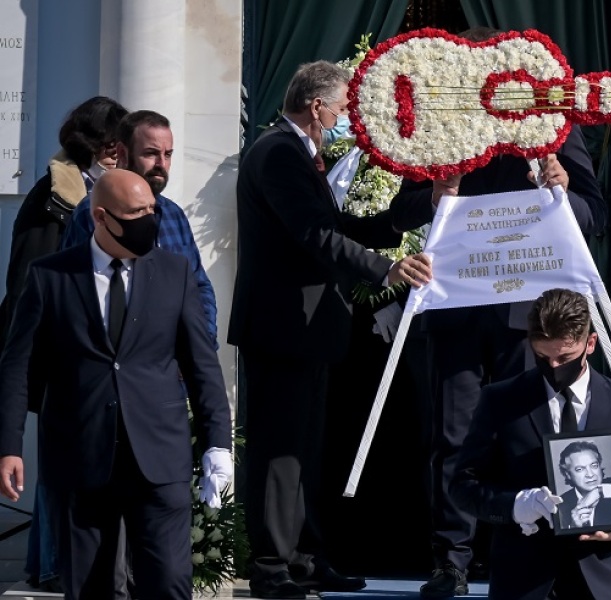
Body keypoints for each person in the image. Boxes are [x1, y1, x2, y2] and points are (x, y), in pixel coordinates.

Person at [390, 26, 606, 597]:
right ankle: (451, 561)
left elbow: (593, 215)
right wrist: (436, 194)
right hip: (457, 307)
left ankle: (530, 550)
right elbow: (399, 213)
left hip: (529, 316)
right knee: (452, 437)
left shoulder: (550, 125)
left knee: (529, 431)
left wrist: (562, 189)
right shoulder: (436, 126)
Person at [228, 60, 433, 599]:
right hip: (282, 325)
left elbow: (336, 226)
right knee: (280, 450)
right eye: (343, 108)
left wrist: (407, 216)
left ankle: (302, 558)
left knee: (305, 449)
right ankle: (271, 565)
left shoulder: (299, 152)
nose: (347, 118)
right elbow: (314, 234)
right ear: (317, 106)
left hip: (308, 328)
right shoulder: (277, 152)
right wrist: (386, 270)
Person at [0, 170, 233, 599]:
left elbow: (201, 364)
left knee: (168, 582)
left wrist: (217, 442)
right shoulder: (50, 276)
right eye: (136, 214)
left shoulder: (175, 272)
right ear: (101, 217)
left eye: (151, 211)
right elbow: (16, 366)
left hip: (159, 455)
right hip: (80, 455)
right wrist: (9, 445)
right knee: (91, 587)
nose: (149, 221)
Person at [451, 288, 611, 600]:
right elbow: (462, 486)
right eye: (542, 357)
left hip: (602, 583)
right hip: (523, 582)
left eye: (565, 358)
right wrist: (515, 505)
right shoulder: (501, 400)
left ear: (590, 343)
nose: (553, 366)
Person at [0, 95, 128, 594]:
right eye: (110, 142)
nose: (117, 151)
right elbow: (28, 279)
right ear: (93, 144)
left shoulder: (104, 188)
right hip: (56, 348)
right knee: (60, 460)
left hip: (92, 349)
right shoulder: (55, 194)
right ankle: (53, 564)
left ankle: (51, 562)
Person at [61, 110, 218, 347]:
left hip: (176, 362)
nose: (161, 164)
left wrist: (201, 342)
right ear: (123, 153)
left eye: (167, 154)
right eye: (151, 153)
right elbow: (71, 293)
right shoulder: (92, 213)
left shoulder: (173, 214)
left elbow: (199, 286)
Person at [556, 441, 611, 530]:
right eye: (580, 469)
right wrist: (573, 527)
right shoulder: (560, 506)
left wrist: (598, 491)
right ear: (568, 474)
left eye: (594, 466)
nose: (590, 474)